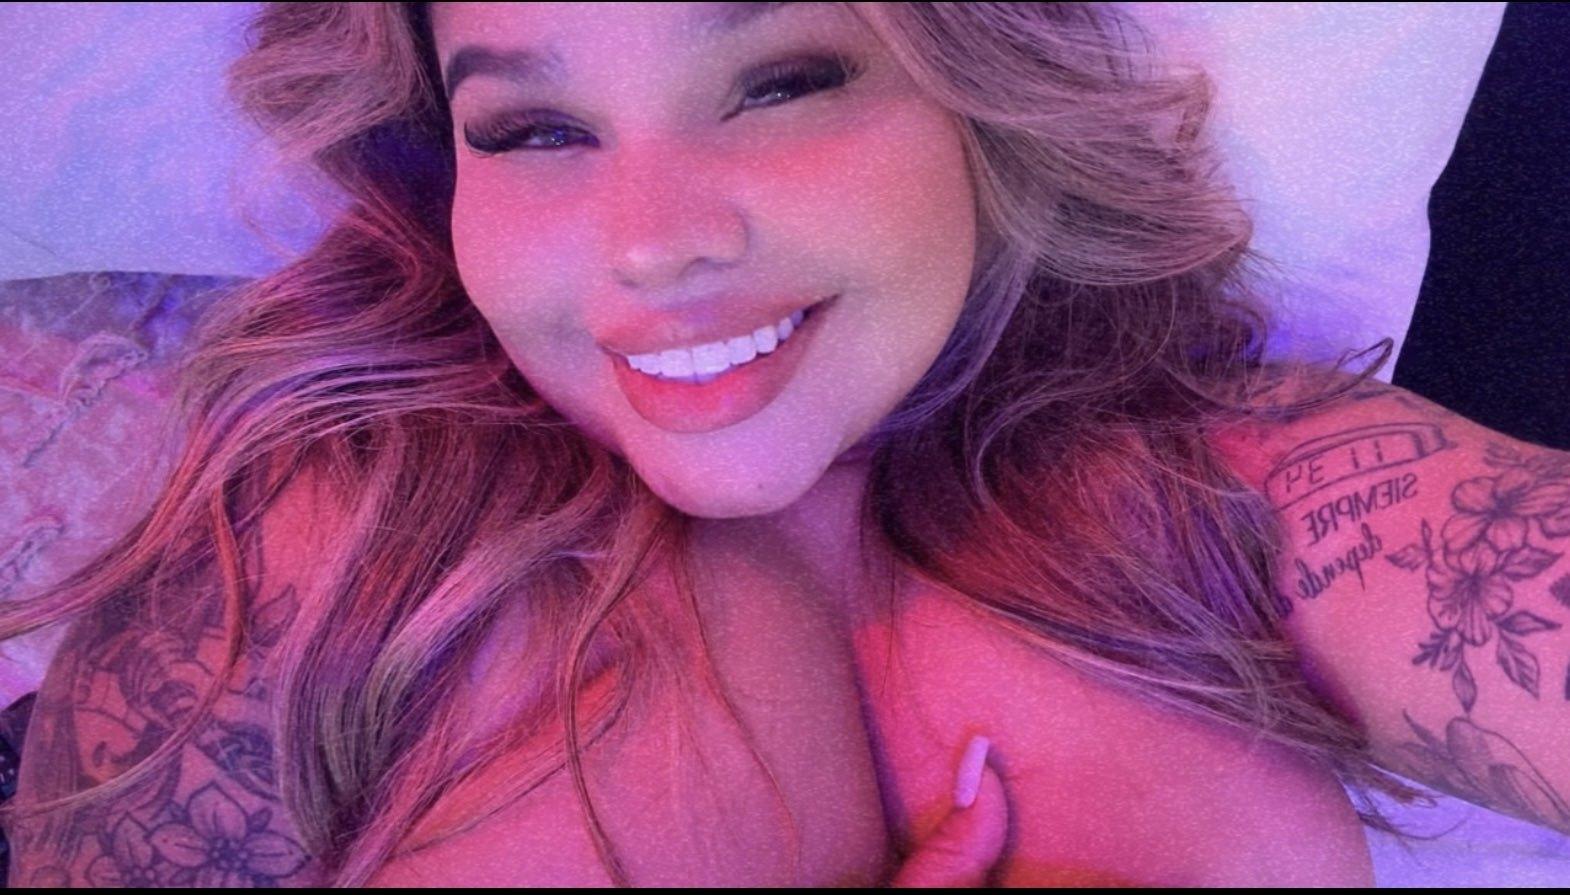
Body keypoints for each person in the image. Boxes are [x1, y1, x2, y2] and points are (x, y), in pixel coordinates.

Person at [4, 2, 1566, 887]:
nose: (651, 242)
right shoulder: (339, 546)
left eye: (778, 84)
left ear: (974, 97)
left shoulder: (1243, 492)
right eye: (535, 129)